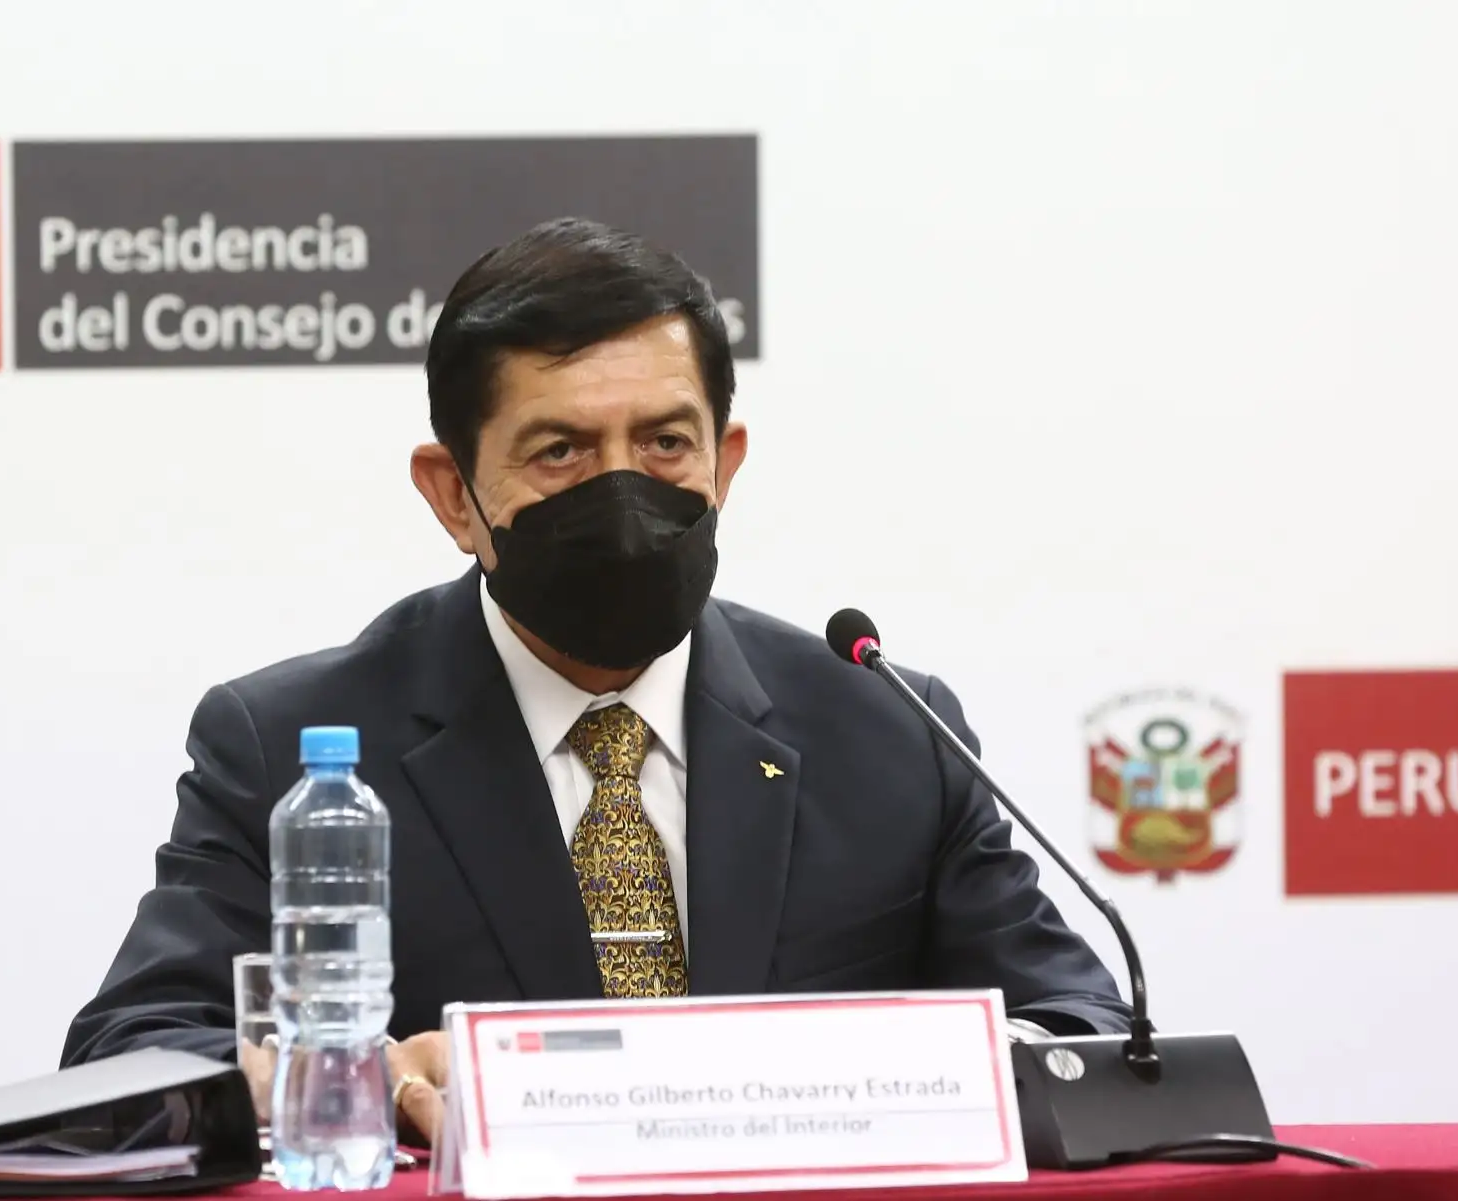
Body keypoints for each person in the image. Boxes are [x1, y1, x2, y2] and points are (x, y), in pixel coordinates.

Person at [61, 216, 1131, 1148]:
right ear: (453, 494)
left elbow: (1084, 1031)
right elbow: (131, 1058)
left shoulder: (884, 728)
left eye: (666, 443)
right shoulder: (293, 741)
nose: (622, 492)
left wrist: (925, 1071)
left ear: (728, 461)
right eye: (561, 452)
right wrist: (351, 1078)